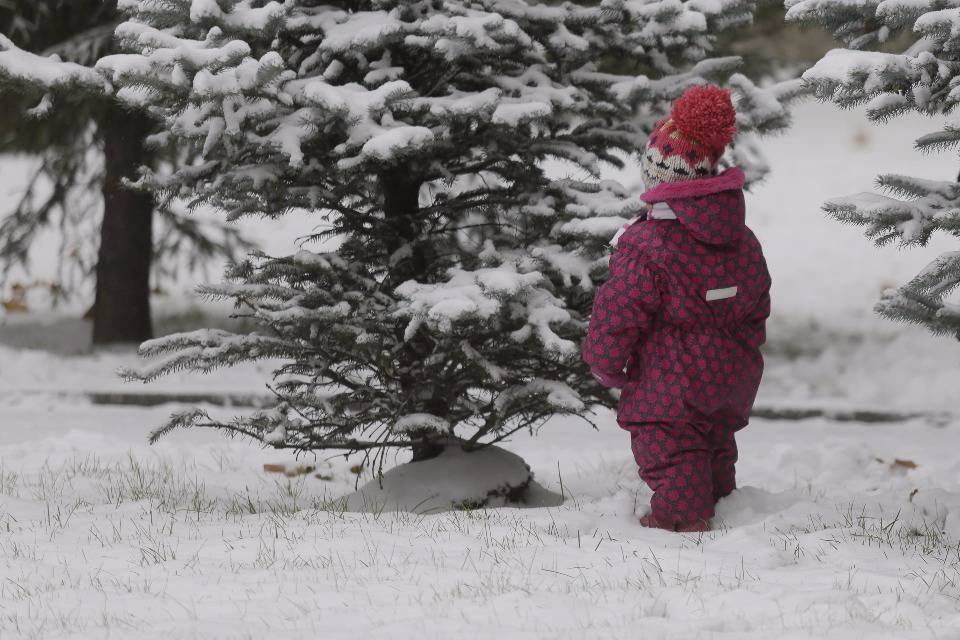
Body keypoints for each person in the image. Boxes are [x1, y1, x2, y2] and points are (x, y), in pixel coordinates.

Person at [583, 85, 771, 533]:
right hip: (731, 375)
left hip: (671, 384)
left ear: (657, 179)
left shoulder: (647, 244)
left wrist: (605, 363)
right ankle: (723, 500)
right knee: (714, 441)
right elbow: (758, 300)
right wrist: (741, 350)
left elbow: (619, 309)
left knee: (673, 449)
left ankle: (682, 521)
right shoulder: (740, 238)